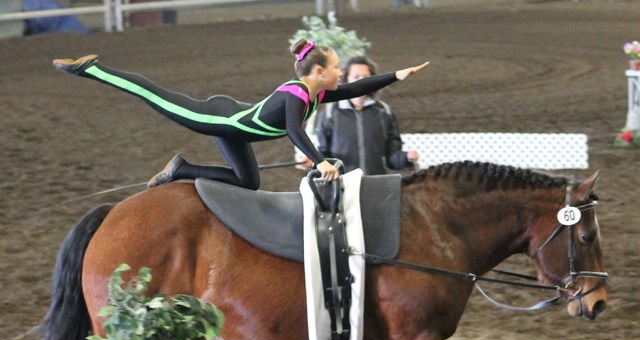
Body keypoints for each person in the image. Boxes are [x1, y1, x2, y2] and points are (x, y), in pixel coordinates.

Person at [52, 40, 429, 190]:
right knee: (153, 94)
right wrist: (320, 162)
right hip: (218, 119)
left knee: (248, 182)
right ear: (317, 73)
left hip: (236, 125)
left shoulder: (319, 91)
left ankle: (180, 170)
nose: (339, 75)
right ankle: (92, 68)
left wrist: (398, 75)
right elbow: (294, 132)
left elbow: (355, 88)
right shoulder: (298, 93)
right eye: (334, 69)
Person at [313, 55, 420, 175]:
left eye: (365, 77)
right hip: (342, 185)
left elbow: (392, 157)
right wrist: (315, 161)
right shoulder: (329, 113)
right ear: (346, 79)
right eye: (356, 77)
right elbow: (322, 151)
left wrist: (406, 158)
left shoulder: (385, 112)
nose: (361, 81)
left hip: (377, 184)